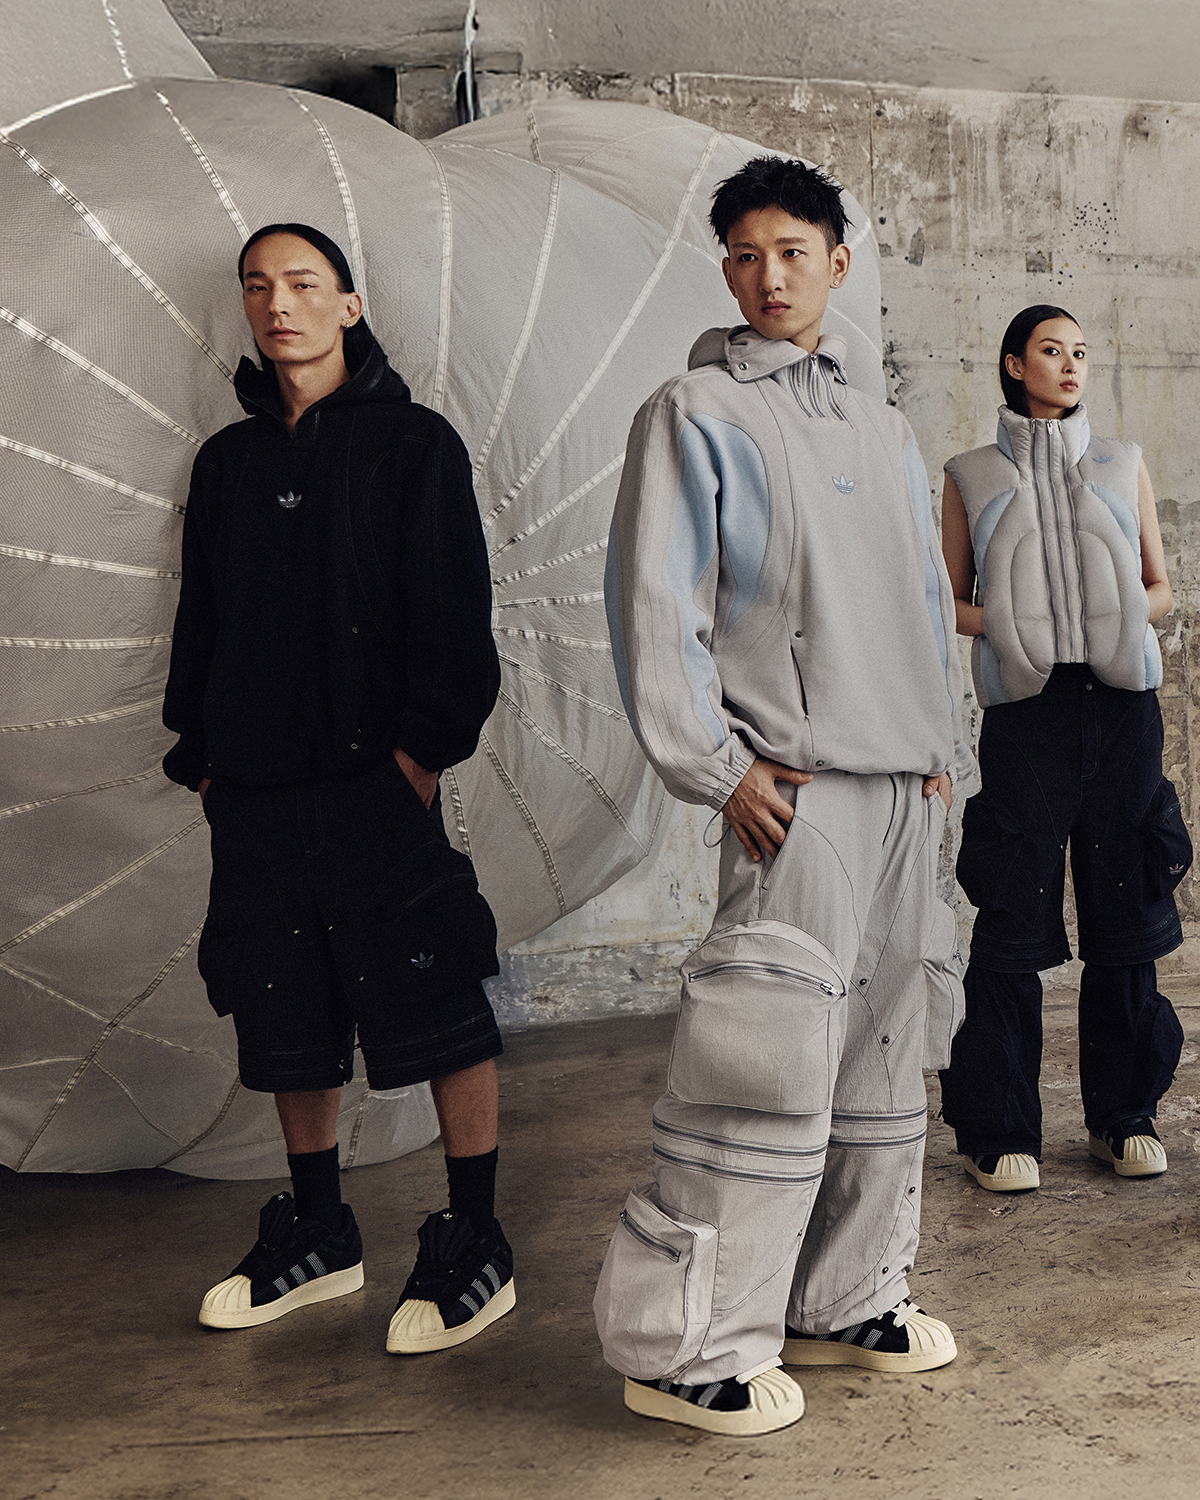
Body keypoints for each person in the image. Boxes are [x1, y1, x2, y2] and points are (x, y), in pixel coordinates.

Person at [594, 156, 973, 1437]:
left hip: (903, 786)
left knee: (884, 1057)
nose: (769, 276)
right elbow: (656, 603)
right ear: (727, 270)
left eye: (793, 253)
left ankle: (847, 1297)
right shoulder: (693, 410)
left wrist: (941, 748)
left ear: (837, 264)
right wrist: (718, 766)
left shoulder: (882, 426)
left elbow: (921, 599)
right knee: (756, 1068)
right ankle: (690, 1350)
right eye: (747, 256)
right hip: (797, 793)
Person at [162, 223, 515, 1354]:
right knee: (281, 1003)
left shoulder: (415, 443)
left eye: (303, 283)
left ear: (350, 306)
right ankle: (320, 1231)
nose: (279, 304)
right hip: (254, 789)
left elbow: (456, 615)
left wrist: (418, 758)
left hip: (377, 783)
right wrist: (202, 752)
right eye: (257, 286)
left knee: (438, 992)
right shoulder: (227, 463)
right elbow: (202, 617)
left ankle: (476, 1237)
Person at [937, 305, 1192, 1192]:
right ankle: (999, 1129)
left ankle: (1124, 1118)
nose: (1071, 365)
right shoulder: (970, 474)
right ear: (1015, 364)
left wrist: (1114, 617)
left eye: (1081, 352)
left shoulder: (1122, 462)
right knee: (1012, 912)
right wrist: (1010, 625)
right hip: (1028, 717)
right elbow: (948, 600)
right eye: (1052, 350)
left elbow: (1161, 588)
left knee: (1127, 910)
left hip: (1123, 712)